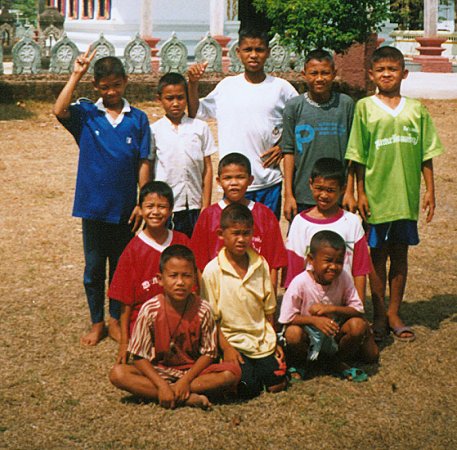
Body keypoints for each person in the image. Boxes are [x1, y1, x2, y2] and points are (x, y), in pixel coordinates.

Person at [346, 46, 445, 342]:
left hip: (405, 197)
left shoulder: (416, 109)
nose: (386, 74)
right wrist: (359, 192)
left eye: (392, 69)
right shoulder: (364, 107)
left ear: (404, 73)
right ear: (371, 74)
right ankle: (377, 314)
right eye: (381, 69)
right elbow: (358, 155)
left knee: (400, 256)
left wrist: (430, 190)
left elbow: (427, 154)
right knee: (376, 257)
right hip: (376, 196)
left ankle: (393, 312)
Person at [53, 51, 151, 346]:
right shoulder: (86, 114)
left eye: (116, 86)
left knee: (121, 268)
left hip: (125, 210)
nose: (111, 92)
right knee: (94, 268)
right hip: (93, 207)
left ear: (125, 82)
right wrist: (76, 74)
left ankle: (115, 319)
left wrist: (141, 202)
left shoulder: (138, 118)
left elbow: (144, 161)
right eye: (105, 87)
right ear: (96, 86)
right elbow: (58, 111)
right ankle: (97, 322)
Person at [109, 245, 241, 410]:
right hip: (160, 371)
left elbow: (209, 353)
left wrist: (185, 382)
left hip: (193, 374)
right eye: (173, 276)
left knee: (231, 373)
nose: (180, 282)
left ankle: (173, 393)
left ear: (194, 279)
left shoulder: (203, 309)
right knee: (118, 374)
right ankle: (185, 398)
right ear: (160, 279)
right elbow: (139, 356)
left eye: (186, 276)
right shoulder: (150, 309)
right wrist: (162, 385)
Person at [187, 28, 298, 219]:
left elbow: (302, 122)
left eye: (259, 50)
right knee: (235, 239)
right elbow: (196, 112)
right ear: (238, 53)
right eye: (248, 50)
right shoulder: (226, 87)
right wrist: (193, 84)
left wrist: (283, 146)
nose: (253, 55)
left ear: (268, 52)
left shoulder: (281, 88)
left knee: (264, 240)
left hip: (268, 181)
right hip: (235, 184)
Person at [201, 204, 287, 398]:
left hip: (260, 339)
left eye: (246, 233)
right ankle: (235, 367)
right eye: (236, 233)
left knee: (277, 384)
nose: (241, 239)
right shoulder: (212, 270)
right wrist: (227, 348)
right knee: (248, 388)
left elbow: (269, 309)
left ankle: (262, 365)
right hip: (232, 340)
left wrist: (273, 342)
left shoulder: (261, 264)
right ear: (221, 234)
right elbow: (211, 319)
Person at [279, 231, 379, 382]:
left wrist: (331, 309)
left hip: (334, 332)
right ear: (311, 260)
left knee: (358, 325)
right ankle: (301, 364)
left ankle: (337, 361)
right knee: (293, 334)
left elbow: (358, 309)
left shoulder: (344, 277)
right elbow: (287, 318)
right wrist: (314, 321)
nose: (333, 267)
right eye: (328, 261)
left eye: (339, 262)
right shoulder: (300, 282)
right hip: (308, 334)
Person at [108, 181, 191, 364]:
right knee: (124, 374)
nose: (155, 212)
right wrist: (124, 342)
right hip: (145, 326)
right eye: (149, 206)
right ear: (140, 209)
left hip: (180, 322)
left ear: (170, 210)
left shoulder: (182, 240)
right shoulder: (132, 250)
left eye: (162, 207)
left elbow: (195, 289)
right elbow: (125, 303)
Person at [190, 153, 287, 290]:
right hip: (218, 296)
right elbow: (199, 263)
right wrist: (205, 299)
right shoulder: (208, 216)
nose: (234, 183)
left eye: (240, 177)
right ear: (218, 181)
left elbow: (274, 263)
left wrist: (270, 302)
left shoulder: (265, 215)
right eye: (228, 178)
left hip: (255, 295)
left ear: (250, 180)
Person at [282, 49, 356, 221]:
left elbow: (354, 154)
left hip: (337, 193)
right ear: (304, 74)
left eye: (325, 73)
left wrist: (349, 192)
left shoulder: (345, 105)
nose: (320, 78)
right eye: (314, 73)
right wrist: (289, 195)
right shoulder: (294, 106)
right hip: (303, 194)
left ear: (334, 74)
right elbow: (288, 152)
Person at [285, 158, 371, 303]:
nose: (324, 195)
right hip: (309, 305)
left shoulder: (352, 222)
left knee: (357, 326)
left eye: (330, 190)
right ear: (310, 184)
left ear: (343, 189)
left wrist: (358, 308)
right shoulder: (300, 222)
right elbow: (293, 270)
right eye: (319, 188)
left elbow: (360, 270)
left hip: (343, 304)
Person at [150, 72, 216, 238]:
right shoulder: (154, 131)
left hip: (194, 204)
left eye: (180, 98)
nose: (175, 103)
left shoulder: (199, 128)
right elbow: (149, 169)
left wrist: (205, 205)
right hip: (168, 206)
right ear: (159, 99)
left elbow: (207, 168)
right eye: (169, 98)